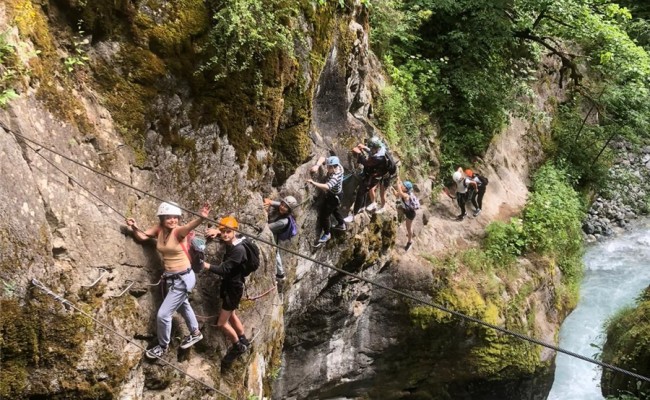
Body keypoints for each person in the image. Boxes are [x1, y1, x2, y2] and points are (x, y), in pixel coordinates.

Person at [126, 201, 210, 359]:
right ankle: (195, 332)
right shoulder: (159, 229)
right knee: (183, 304)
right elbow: (143, 237)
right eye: (169, 218)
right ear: (162, 218)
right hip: (172, 278)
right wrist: (134, 226)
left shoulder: (178, 232)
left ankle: (162, 346)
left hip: (183, 278)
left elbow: (189, 227)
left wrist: (201, 217)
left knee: (163, 314)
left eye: (175, 217)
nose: (173, 220)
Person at [202, 216, 250, 365]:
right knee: (232, 314)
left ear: (234, 231)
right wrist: (218, 231)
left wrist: (205, 265)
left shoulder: (239, 250)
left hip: (233, 289)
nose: (225, 235)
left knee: (222, 323)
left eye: (228, 232)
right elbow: (229, 235)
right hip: (233, 286)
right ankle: (243, 339)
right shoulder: (237, 240)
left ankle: (237, 346)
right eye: (223, 232)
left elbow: (224, 269)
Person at [346, 136, 390, 221]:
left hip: (373, 177)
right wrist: (364, 148)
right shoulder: (382, 149)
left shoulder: (378, 158)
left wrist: (359, 153)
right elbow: (372, 152)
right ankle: (362, 207)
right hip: (374, 175)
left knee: (361, 192)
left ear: (375, 147)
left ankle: (353, 215)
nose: (371, 149)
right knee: (365, 190)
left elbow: (366, 163)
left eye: (371, 147)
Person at [307, 155, 346, 245]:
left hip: (334, 197)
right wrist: (317, 166)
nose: (327, 168)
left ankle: (327, 234)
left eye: (329, 167)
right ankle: (341, 224)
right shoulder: (338, 165)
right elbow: (322, 158)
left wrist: (313, 182)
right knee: (334, 210)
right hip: (337, 195)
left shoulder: (336, 176)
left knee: (325, 215)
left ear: (333, 167)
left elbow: (326, 186)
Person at [263, 195, 298, 281]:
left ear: (289, 210)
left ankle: (280, 274)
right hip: (275, 230)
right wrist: (269, 202)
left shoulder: (283, 221)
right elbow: (274, 203)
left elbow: (267, 228)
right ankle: (280, 274)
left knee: (275, 251)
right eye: (282, 204)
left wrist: (264, 213)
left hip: (274, 233)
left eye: (285, 207)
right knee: (276, 251)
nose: (282, 207)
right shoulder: (282, 207)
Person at [395, 178, 420, 251]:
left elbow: (399, 191)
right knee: (398, 208)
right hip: (406, 210)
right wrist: (398, 180)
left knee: (408, 228)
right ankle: (399, 221)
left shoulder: (406, 196)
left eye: (403, 186)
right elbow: (397, 193)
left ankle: (410, 242)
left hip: (410, 214)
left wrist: (397, 183)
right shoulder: (404, 192)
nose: (402, 186)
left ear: (406, 189)